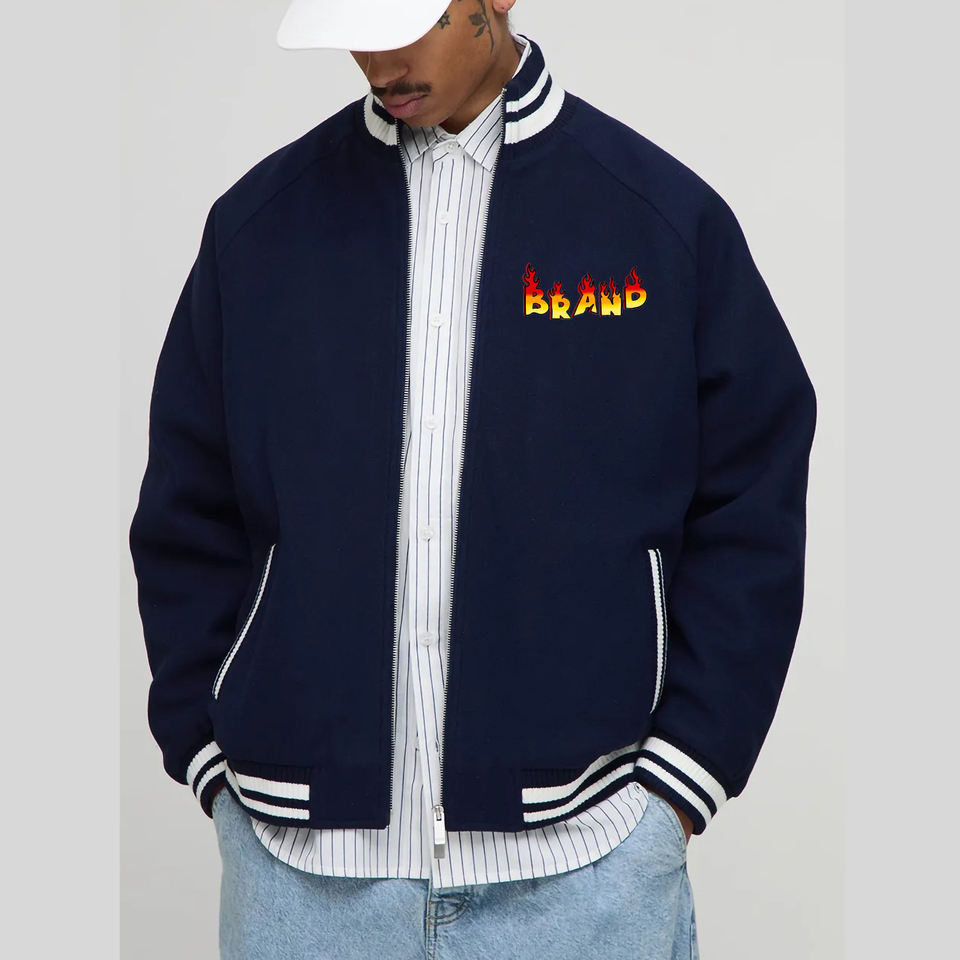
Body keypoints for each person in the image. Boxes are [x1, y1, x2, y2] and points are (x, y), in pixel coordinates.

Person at [128, 1, 817, 957]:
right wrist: (205, 754)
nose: (382, 61)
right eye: (358, 30)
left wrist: (686, 774)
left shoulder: (659, 221)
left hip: (586, 872)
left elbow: (754, 499)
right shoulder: (258, 229)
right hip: (300, 879)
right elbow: (185, 507)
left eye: (411, 23)